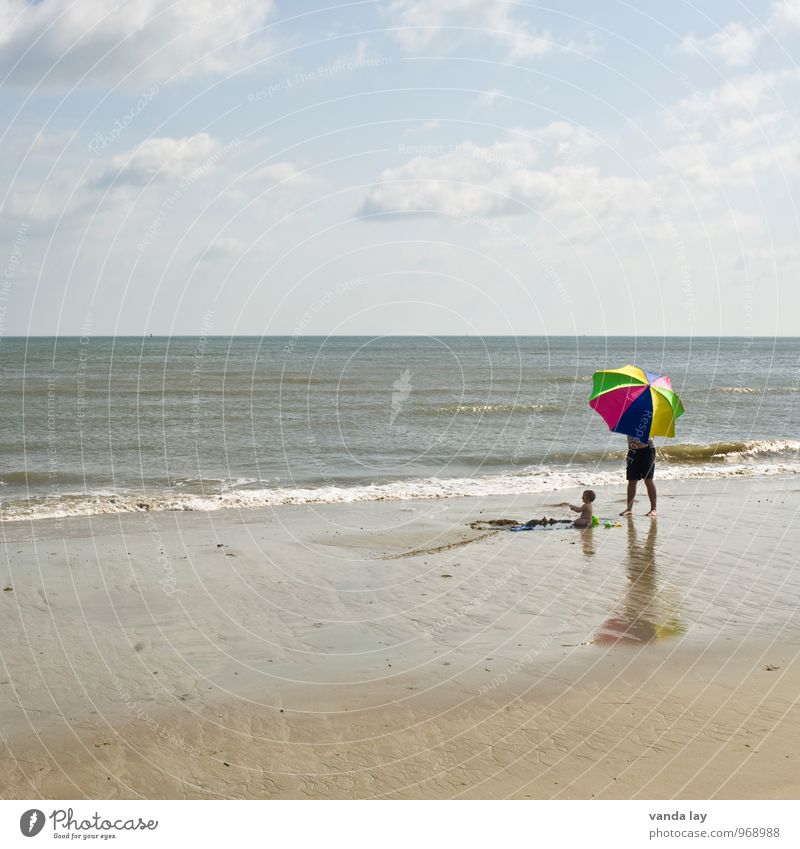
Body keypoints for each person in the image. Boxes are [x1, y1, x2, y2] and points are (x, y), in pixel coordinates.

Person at [621, 434, 657, 516]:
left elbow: (654, 433)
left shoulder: (648, 420)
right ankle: (629, 509)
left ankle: (653, 509)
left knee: (648, 479)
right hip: (633, 451)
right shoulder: (627, 421)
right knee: (632, 480)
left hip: (648, 450)